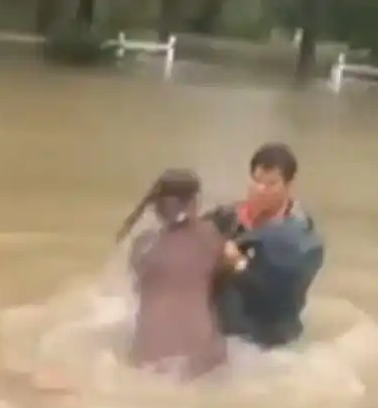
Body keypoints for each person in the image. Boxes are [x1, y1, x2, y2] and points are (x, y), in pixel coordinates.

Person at [204, 143, 324, 348]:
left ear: (289, 185)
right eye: (256, 180)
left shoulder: (300, 237)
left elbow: (280, 297)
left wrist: (238, 263)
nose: (260, 189)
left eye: (271, 183)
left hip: (268, 342)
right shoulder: (226, 217)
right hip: (221, 331)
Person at [116, 169, 228, 380]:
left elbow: (138, 287)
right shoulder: (210, 237)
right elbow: (223, 274)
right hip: (202, 357)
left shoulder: (142, 246)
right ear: (195, 201)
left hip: (146, 356)